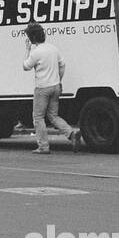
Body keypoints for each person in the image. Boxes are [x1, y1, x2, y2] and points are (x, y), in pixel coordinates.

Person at [23, 22, 81, 154]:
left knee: (38, 117)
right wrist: (59, 80)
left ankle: (43, 146)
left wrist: (27, 49)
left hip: (42, 88)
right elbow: (62, 65)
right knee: (53, 116)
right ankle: (71, 134)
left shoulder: (36, 52)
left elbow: (25, 66)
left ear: (32, 38)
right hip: (55, 87)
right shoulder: (53, 49)